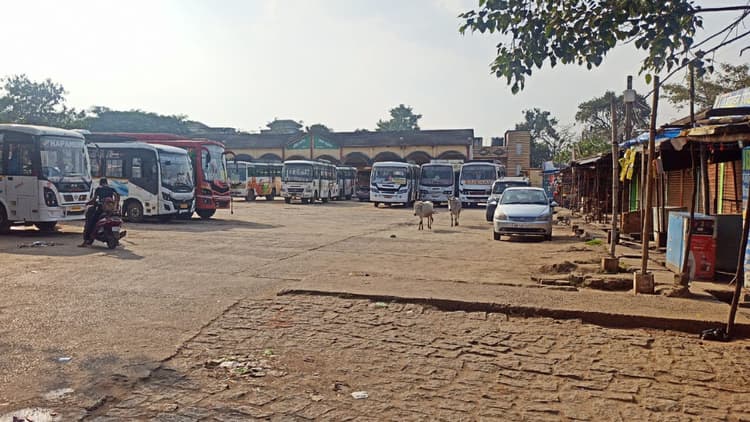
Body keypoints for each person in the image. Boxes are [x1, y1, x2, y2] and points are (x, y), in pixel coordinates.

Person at [80, 178, 119, 247]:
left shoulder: (99, 189)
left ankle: (86, 240)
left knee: (91, 223)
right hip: (111, 211)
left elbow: (94, 200)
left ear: (100, 183)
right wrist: (116, 205)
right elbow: (117, 196)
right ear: (106, 182)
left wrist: (87, 203)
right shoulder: (112, 189)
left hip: (101, 210)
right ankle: (116, 240)